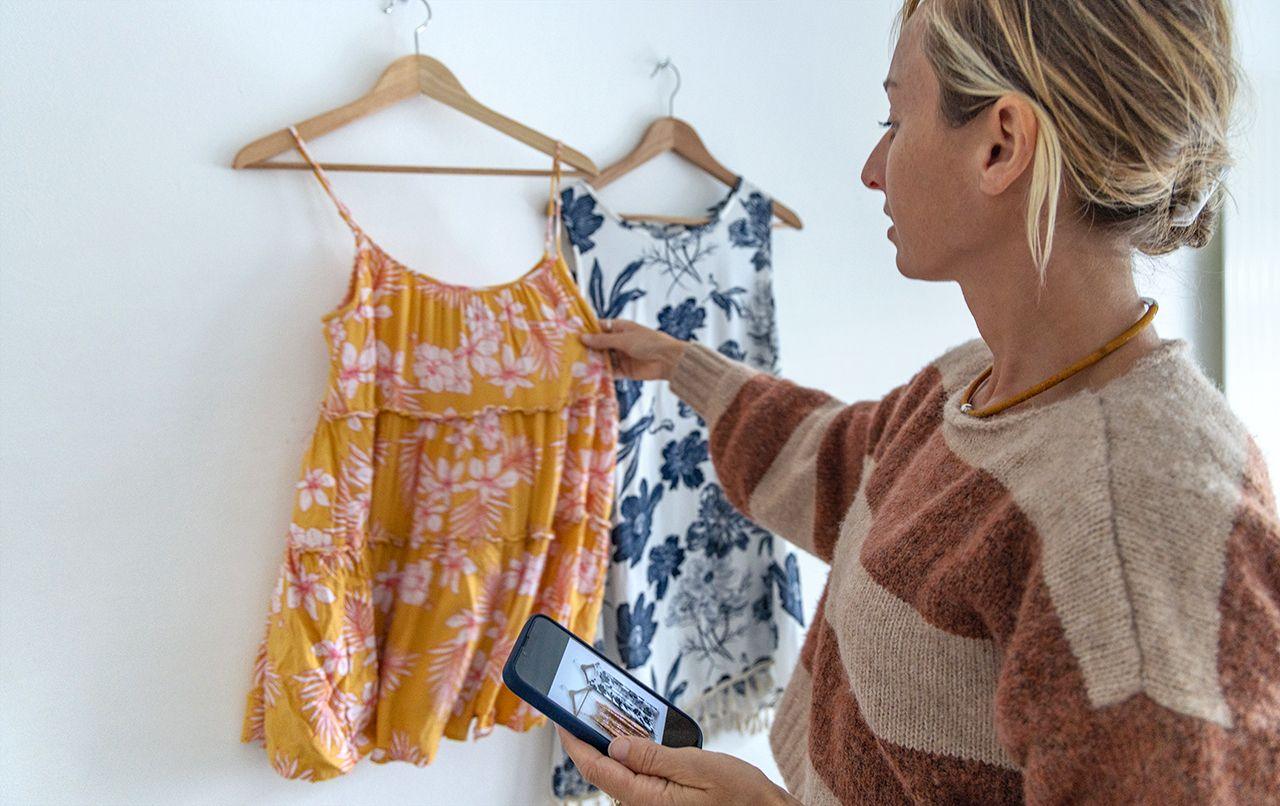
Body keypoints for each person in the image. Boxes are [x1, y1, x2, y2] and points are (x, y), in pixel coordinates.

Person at [558, 0, 1279, 803]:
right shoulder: (977, 382)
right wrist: (684, 367)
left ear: (1001, 146)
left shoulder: (1137, 530)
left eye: (895, 119)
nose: (872, 166)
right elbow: (846, 468)